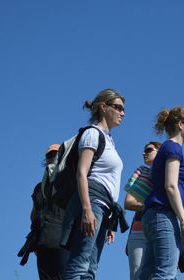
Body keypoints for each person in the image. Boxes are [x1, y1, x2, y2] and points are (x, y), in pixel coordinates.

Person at [62, 89, 126, 280]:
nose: (122, 113)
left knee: (90, 269)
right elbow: (82, 173)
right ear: (103, 107)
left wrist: (110, 222)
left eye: (123, 109)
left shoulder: (109, 140)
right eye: (118, 108)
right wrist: (87, 209)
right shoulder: (92, 133)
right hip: (93, 202)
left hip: (103, 208)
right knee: (80, 264)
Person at [139, 106, 184, 280]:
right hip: (163, 215)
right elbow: (170, 186)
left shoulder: (166, 148)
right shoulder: (173, 148)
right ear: (180, 124)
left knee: (148, 274)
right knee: (165, 273)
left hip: (155, 216)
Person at [30, 144, 69, 280]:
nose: (52, 158)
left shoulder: (69, 182)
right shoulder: (39, 188)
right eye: (49, 156)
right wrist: (35, 237)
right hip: (43, 241)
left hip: (64, 241)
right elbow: (34, 212)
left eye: (55, 155)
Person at [123, 141, 162, 280]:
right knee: (137, 275)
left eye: (149, 150)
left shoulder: (169, 174)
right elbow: (128, 202)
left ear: (160, 152)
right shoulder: (142, 172)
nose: (144, 153)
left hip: (162, 229)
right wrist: (154, 204)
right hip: (139, 231)